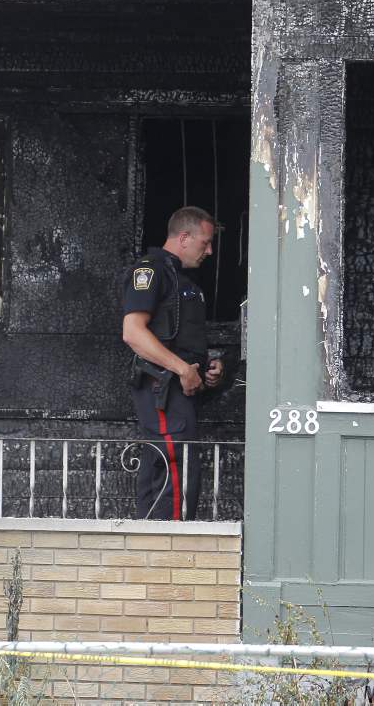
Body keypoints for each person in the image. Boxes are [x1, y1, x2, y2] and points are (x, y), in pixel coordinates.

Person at [122, 206, 224, 520]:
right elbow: (133, 332)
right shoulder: (151, 270)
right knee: (173, 469)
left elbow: (179, 338)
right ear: (183, 237)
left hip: (181, 393)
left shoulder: (182, 280)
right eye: (204, 243)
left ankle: (154, 549)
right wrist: (181, 369)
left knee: (172, 468)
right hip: (162, 391)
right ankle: (170, 551)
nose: (209, 251)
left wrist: (207, 367)